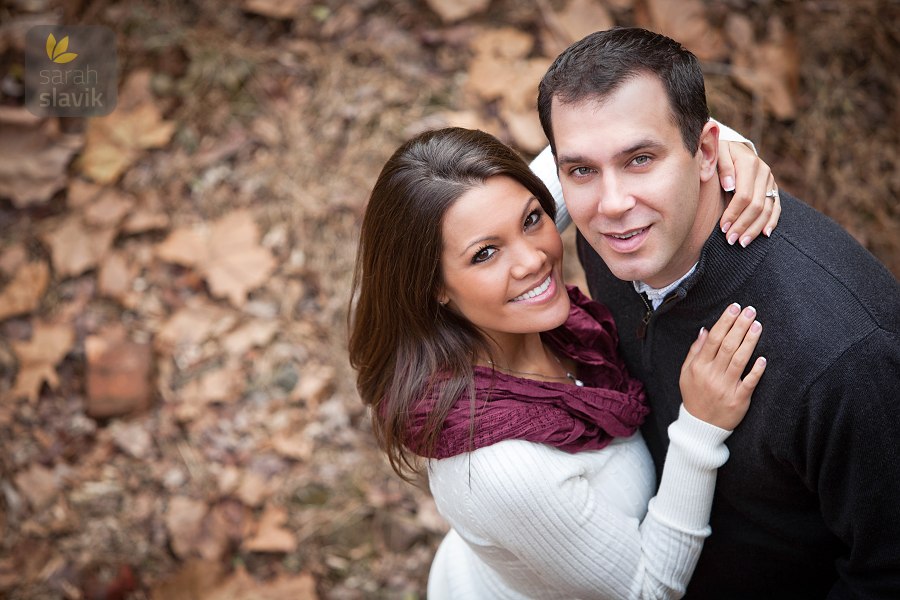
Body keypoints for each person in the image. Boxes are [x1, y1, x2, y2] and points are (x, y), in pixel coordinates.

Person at [534, 26, 900, 598]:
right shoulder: (617, 242)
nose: (611, 204)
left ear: (706, 152)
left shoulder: (841, 352)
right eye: (581, 170)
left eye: (640, 159)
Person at [349, 126, 776, 599]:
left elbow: (604, 136)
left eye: (533, 220)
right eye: (485, 253)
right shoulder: (502, 470)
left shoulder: (505, 307)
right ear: (434, 286)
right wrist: (699, 428)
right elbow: (646, 590)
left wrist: (723, 151)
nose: (533, 259)